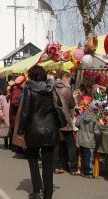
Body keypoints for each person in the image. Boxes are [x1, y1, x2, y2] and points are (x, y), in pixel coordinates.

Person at [17, 65, 63, 199]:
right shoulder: (51, 88)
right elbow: (58, 105)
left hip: (33, 129)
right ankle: (48, 193)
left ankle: (38, 190)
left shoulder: (29, 88)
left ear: (31, 76)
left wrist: (20, 130)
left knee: (33, 160)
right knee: (48, 164)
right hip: (50, 129)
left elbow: (25, 111)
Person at [53, 70, 78, 175]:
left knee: (56, 144)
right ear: (66, 78)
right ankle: (73, 168)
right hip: (65, 119)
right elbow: (72, 104)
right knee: (70, 144)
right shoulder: (67, 89)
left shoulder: (52, 88)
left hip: (54, 119)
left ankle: (57, 166)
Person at [76, 95, 101, 179]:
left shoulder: (83, 115)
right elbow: (97, 132)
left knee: (83, 156)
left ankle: (83, 171)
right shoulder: (95, 119)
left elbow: (77, 124)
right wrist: (98, 140)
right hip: (90, 141)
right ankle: (89, 172)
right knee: (89, 157)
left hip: (81, 139)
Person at [0, 83, 11, 149]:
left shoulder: (12, 96)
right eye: (7, 89)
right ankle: (6, 144)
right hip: (4, 115)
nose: (9, 91)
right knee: (5, 130)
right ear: (5, 89)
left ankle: (11, 144)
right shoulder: (1, 97)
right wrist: (1, 114)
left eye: (10, 89)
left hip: (11, 116)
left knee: (11, 130)